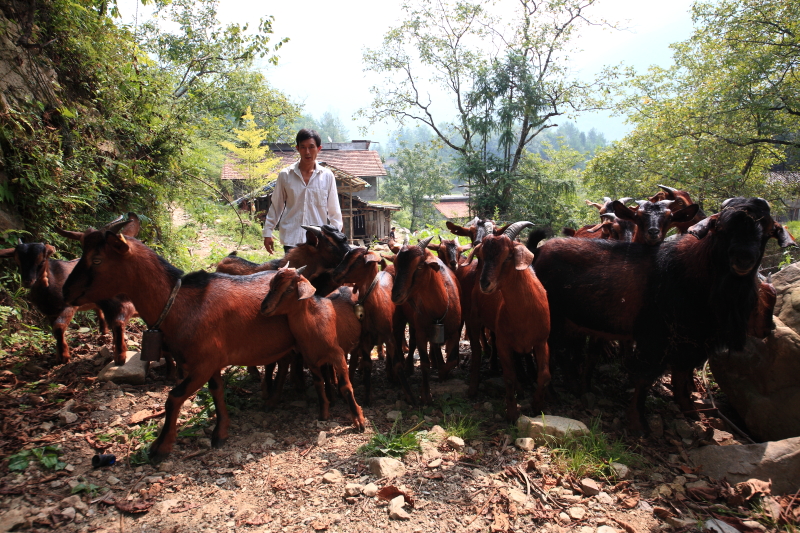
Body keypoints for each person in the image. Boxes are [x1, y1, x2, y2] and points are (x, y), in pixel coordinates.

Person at [262, 129, 343, 254]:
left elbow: (334, 211)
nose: (307, 152)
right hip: (291, 239)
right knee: (292, 273)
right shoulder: (285, 175)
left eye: (311, 147)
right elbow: (276, 206)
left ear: (319, 148)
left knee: (317, 274)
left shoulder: (327, 176)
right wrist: (268, 232)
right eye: (303, 147)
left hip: (318, 241)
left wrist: (334, 237)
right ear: (297, 148)